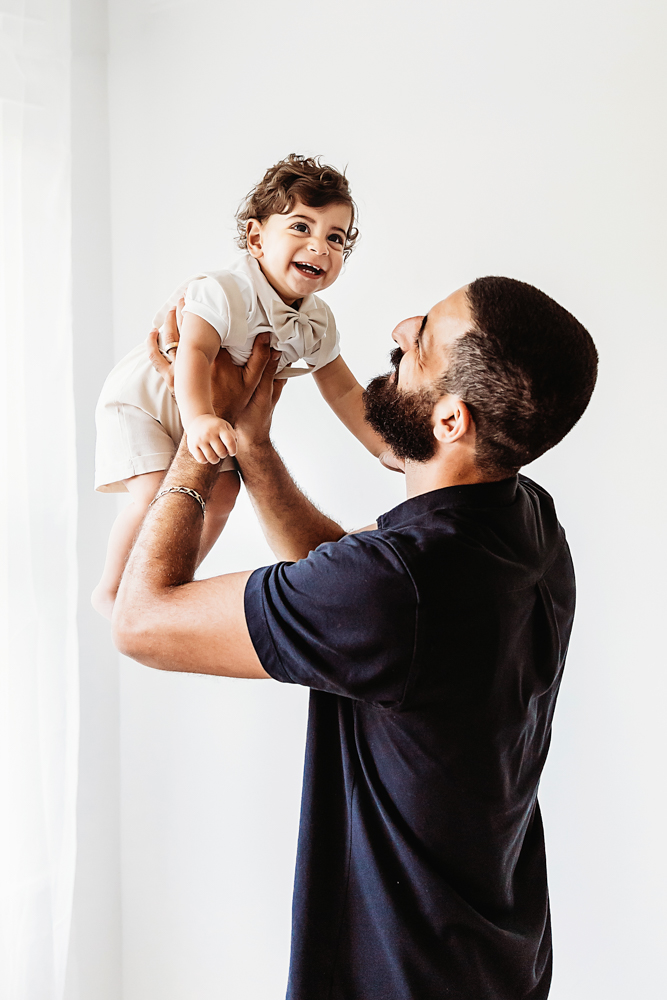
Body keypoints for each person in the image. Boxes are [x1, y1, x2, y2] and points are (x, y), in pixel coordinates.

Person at [112, 276, 598, 1000]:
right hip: (494, 964)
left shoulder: (395, 588)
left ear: (450, 422)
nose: (401, 329)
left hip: (401, 979)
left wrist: (196, 440)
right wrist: (249, 443)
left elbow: (141, 623)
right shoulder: (521, 517)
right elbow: (342, 580)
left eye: (423, 340)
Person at [92, 154, 397, 619]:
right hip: (147, 401)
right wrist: (198, 418)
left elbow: (342, 391)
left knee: (223, 496)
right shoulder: (225, 291)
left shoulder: (316, 322)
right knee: (155, 491)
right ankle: (115, 590)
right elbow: (192, 353)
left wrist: (384, 447)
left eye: (334, 237)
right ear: (256, 238)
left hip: (212, 413)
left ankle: (172, 578)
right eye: (301, 227)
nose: (319, 246)